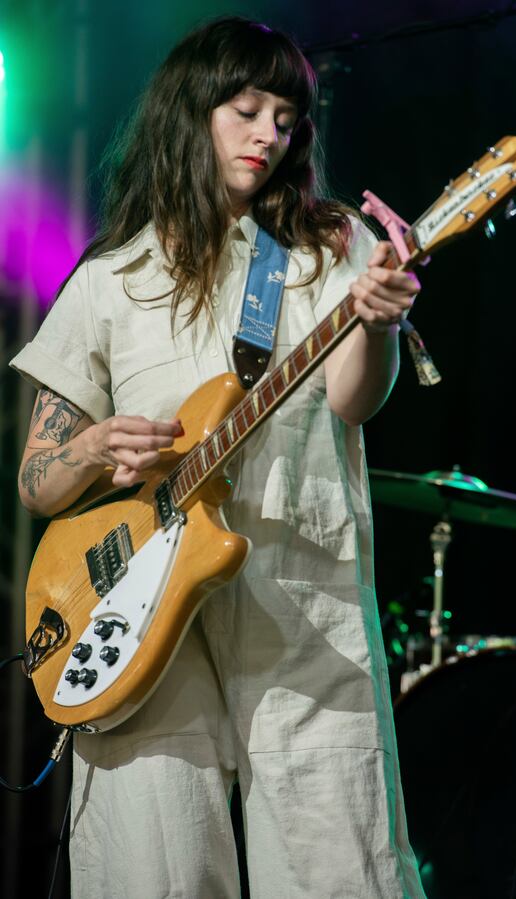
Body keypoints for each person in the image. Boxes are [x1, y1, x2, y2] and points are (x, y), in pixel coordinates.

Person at [11, 17, 426, 899]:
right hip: (137, 614)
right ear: (189, 112)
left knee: (338, 867)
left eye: (287, 116)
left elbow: (355, 402)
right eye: (246, 109)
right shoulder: (108, 277)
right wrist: (87, 446)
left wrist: (379, 323)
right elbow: (37, 480)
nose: (270, 133)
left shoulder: (327, 245)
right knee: (150, 871)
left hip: (300, 594)